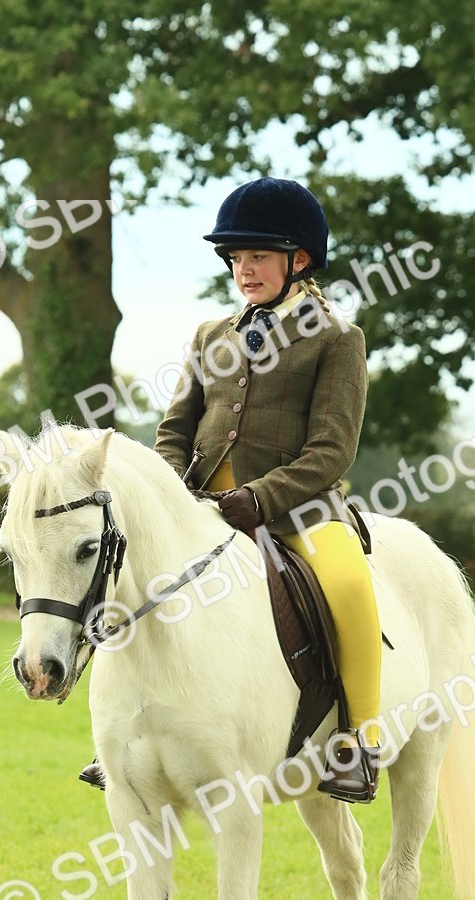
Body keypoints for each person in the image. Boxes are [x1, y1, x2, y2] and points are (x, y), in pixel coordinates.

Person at [80, 177, 383, 802]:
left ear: (299, 260)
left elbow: (332, 450)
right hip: (200, 510)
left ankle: (358, 737)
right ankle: (121, 735)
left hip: (297, 511)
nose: (244, 270)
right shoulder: (209, 335)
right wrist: (167, 493)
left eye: (258, 258)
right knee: (128, 582)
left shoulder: (336, 339)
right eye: (237, 259)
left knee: (350, 581)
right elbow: (175, 430)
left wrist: (259, 499)